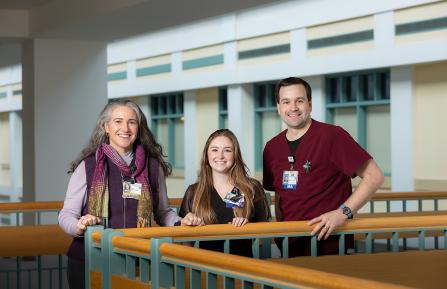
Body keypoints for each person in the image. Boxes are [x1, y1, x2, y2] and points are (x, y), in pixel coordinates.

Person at [58, 99, 198, 289]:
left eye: (132, 122)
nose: (125, 127)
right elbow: (66, 215)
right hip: (90, 259)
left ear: (139, 128)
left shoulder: (153, 167)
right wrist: (79, 225)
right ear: (105, 126)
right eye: (118, 121)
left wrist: (181, 222)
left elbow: (163, 212)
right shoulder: (88, 166)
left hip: (140, 260)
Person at [263, 77, 384, 256]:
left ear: (309, 105)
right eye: (286, 102)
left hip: (332, 245)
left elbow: (375, 177)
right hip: (291, 245)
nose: (293, 107)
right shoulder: (272, 148)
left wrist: (342, 213)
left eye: (300, 100)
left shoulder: (333, 136)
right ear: (279, 107)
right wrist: (281, 234)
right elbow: (280, 195)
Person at [179, 129, 271, 257]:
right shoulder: (194, 192)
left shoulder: (251, 187)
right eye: (214, 150)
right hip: (206, 269)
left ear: (235, 155)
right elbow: (186, 242)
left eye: (227, 150)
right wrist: (187, 224)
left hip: (243, 268)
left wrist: (248, 227)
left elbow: (267, 231)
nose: (220, 156)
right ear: (207, 155)